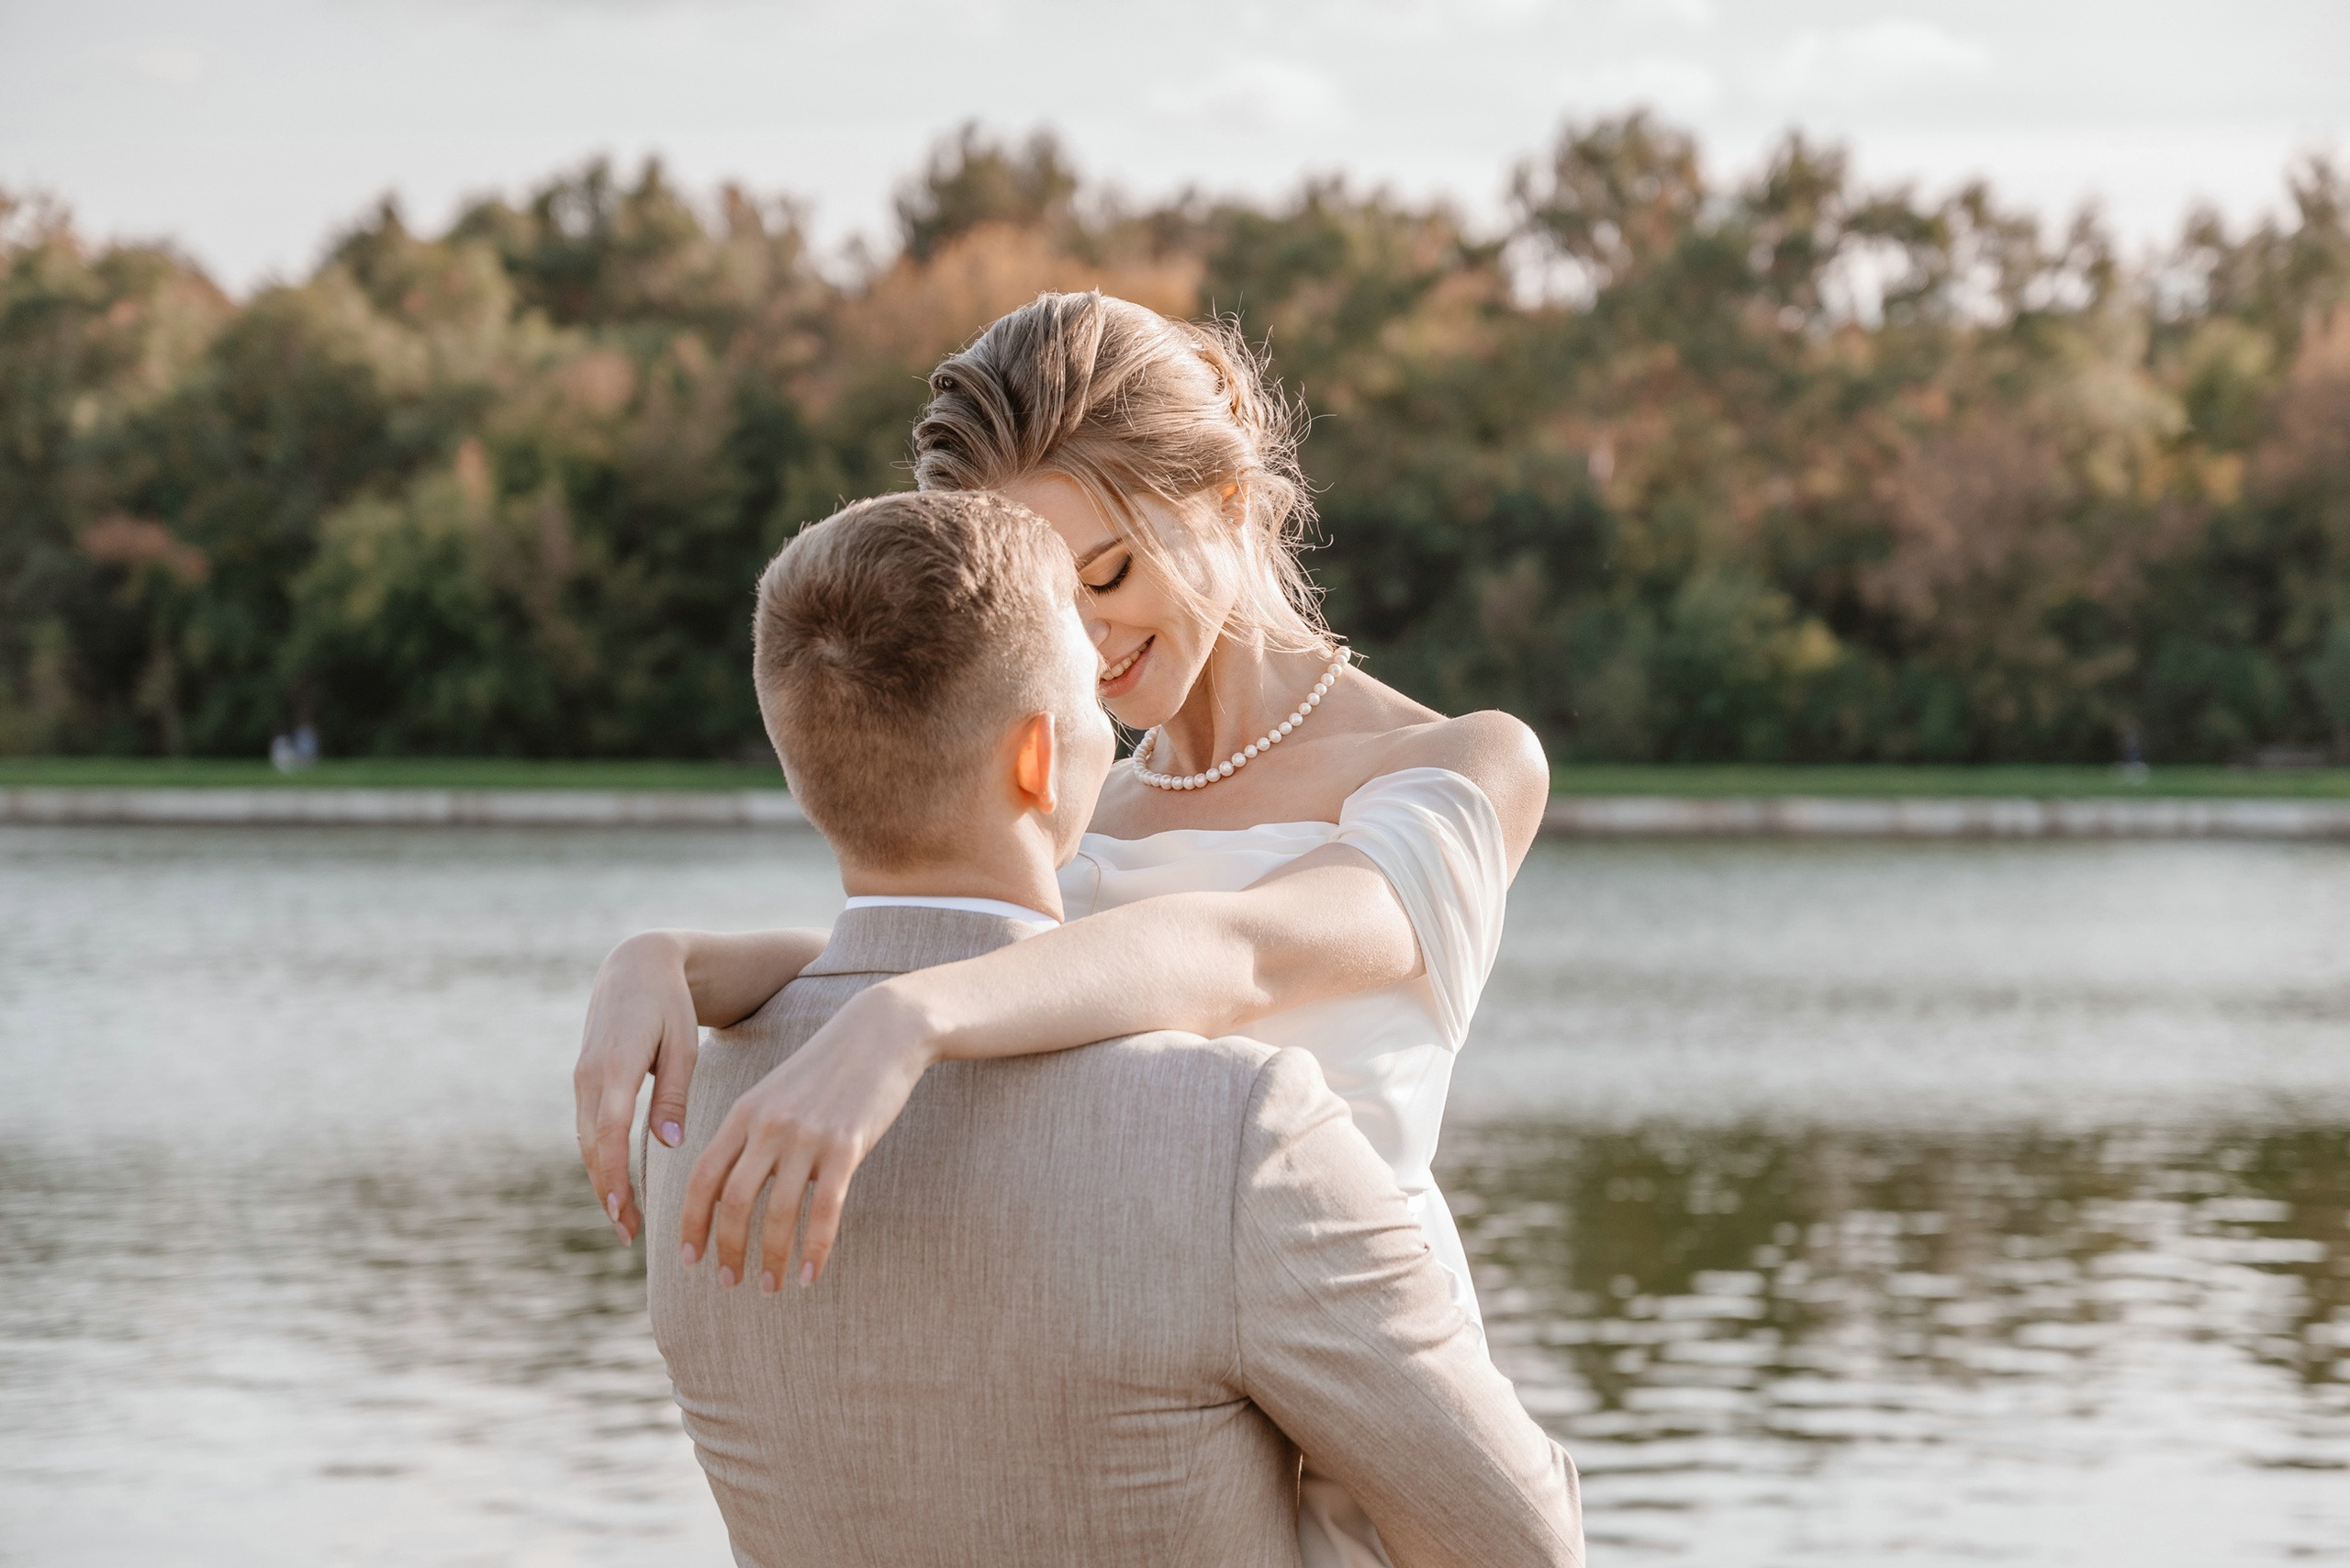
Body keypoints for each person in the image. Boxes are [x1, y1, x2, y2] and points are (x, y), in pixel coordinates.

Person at [576, 291, 1551, 1564]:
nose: (1088, 645)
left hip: (1374, 1441)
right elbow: (964, 958)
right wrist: (671, 961)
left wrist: (911, 1020)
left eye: (1110, 575)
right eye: (1050, 603)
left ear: (1226, 499)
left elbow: (1236, 955)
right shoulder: (1071, 799)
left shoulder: (1457, 765)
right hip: (1157, 1444)